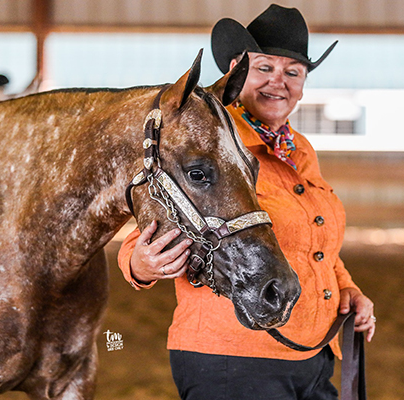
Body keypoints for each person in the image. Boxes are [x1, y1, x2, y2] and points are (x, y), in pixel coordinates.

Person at [117, 4, 376, 399]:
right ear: (237, 70)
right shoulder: (209, 140)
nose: (279, 82)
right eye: (264, 68)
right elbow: (150, 228)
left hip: (312, 355)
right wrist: (139, 263)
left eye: (292, 72)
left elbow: (315, 242)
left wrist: (347, 289)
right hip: (233, 360)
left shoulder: (298, 148)